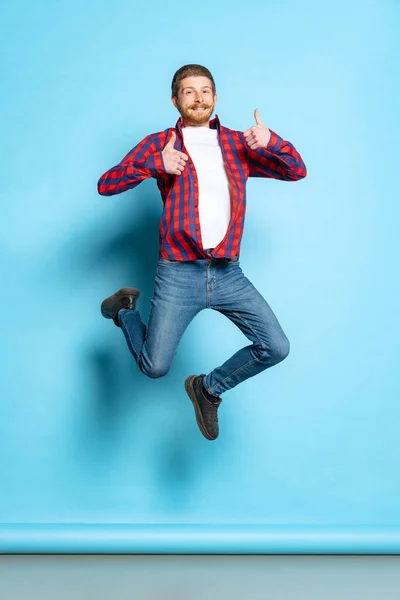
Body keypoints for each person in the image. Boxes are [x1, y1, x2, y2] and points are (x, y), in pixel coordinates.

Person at [98, 64, 307, 441]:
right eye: (189, 91)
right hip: (178, 274)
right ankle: (124, 311)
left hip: (228, 273)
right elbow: (106, 184)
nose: (198, 97)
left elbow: (296, 171)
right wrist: (153, 165)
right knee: (154, 367)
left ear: (215, 97)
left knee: (275, 347)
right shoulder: (160, 143)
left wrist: (272, 140)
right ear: (175, 100)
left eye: (205, 90)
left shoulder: (239, 144)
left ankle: (207, 389)